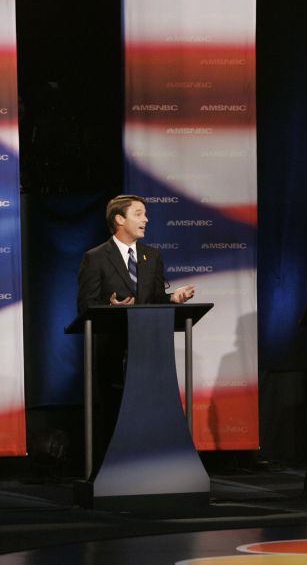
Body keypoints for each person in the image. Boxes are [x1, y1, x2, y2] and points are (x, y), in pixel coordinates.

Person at [76, 194, 195, 466]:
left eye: (145, 214)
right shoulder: (95, 258)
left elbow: (152, 300)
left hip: (148, 352)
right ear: (119, 219)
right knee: (116, 413)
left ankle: (153, 465)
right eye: (139, 213)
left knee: (151, 413)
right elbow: (85, 306)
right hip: (112, 354)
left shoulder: (151, 256)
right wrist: (110, 306)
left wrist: (172, 299)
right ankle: (111, 469)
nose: (146, 219)